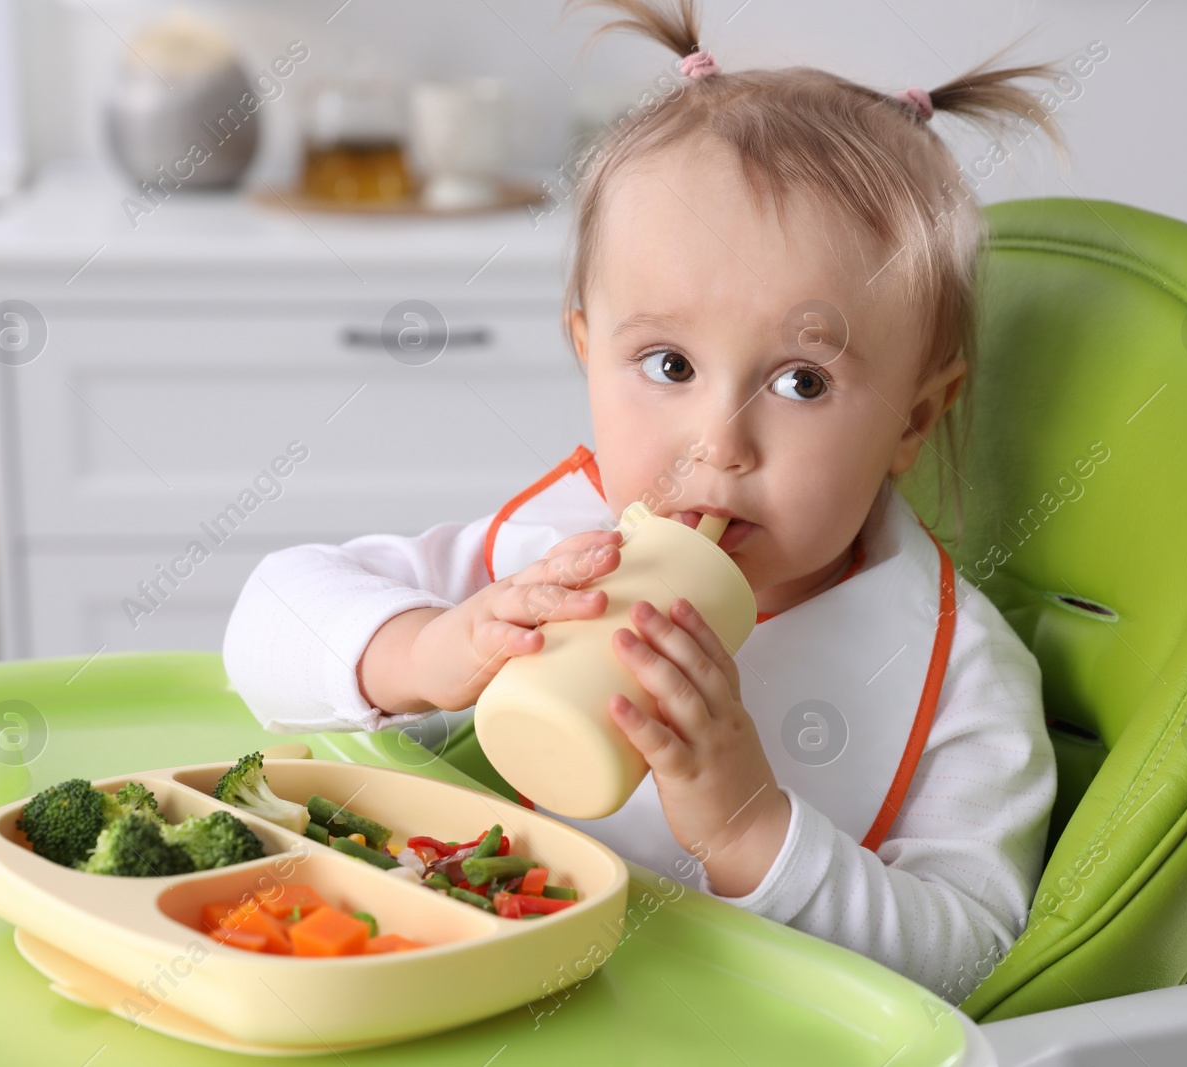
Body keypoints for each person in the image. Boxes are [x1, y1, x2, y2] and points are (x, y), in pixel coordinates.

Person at [224, 0, 1062, 1003]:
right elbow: (268, 615)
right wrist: (431, 648)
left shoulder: (955, 674)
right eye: (667, 363)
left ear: (914, 420)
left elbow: (971, 960)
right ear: (587, 347)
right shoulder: (560, 557)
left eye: (802, 382)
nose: (719, 444)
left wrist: (752, 827)